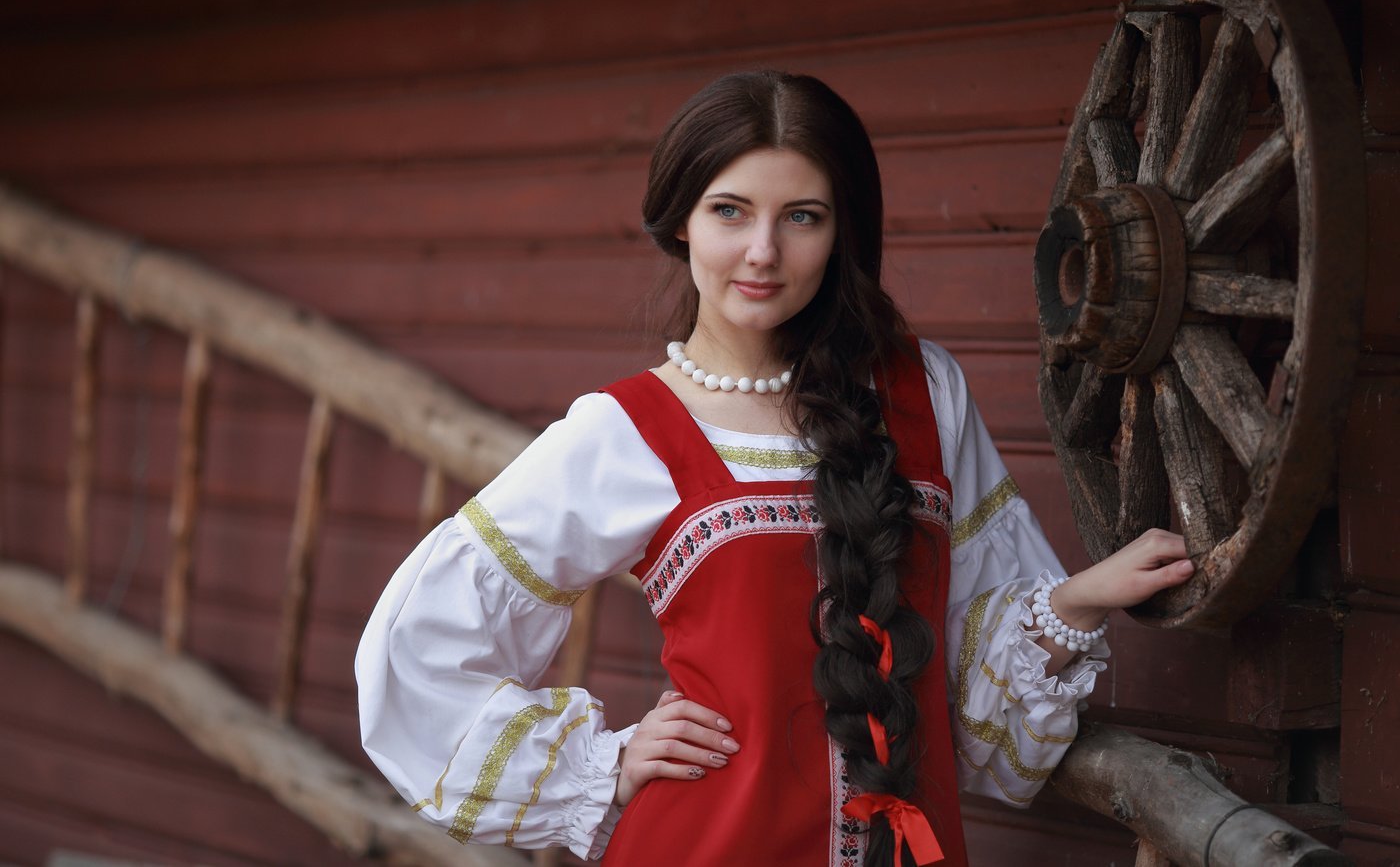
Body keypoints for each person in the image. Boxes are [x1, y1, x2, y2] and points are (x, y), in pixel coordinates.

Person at [355, 71, 1193, 866]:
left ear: (840, 230)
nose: (761, 251)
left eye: (801, 216)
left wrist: (1074, 600)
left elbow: (975, 707)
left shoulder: (924, 393)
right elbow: (418, 651)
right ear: (680, 218)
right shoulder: (622, 432)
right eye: (730, 211)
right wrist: (602, 761)